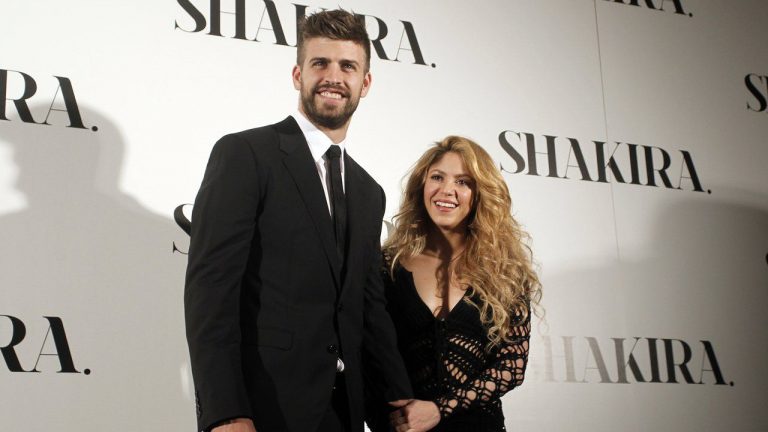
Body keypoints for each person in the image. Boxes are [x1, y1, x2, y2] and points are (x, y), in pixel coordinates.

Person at [184, 10, 412, 432]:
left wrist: (397, 394)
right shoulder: (246, 155)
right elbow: (211, 292)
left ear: (365, 83)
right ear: (297, 75)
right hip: (263, 406)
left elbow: (368, 306)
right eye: (319, 63)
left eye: (348, 66)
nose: (333, 76)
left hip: (344, 413)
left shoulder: (368, 191)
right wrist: (225, 411)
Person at [366, 136, 542, 432]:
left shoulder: (505, 272)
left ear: (480, 194)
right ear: (422, 186)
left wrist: (439, 409)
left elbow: (511, 367)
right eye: (437, 177)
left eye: (463, 182)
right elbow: (367, 351)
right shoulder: (387, 265)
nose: (447, 190)